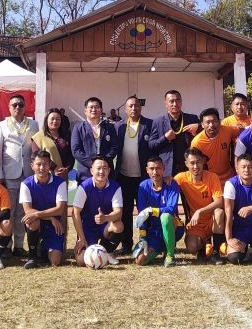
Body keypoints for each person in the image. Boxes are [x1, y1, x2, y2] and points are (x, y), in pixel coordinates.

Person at [0, 94, 39, 257]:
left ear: (25, 106)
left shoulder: (34, 123)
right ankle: (6, 244)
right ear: (9, 107)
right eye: (14, 105)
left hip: (27, 174)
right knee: (9, 211)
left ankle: (19, 245)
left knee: (22, 211)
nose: (17, 108)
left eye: (20, 105)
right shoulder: (2, 125)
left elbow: (36, 148)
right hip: (9, 174)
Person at [114, 95, 156, 253]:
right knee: (125, 212)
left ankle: (149, 243)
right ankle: (126, 245)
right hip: (123, 177)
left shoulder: (149, 125)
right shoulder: (118, 127)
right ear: (125, 109)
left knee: (145, 211)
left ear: (141, 107)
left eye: (136, 105)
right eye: (130, 106)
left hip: (142, 178)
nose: (133, 108)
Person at [174, 147, 226, 265]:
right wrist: (166, 179)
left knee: (219, 212)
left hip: (211, 220)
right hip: (195, 224)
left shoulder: (212, 177)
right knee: (192, 248)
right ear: (186, 164)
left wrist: (200, 211)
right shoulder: (180, 178)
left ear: (203, 161)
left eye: (198, 162)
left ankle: (216, 252)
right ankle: (202, 248)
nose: (196, 166)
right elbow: (168, 186)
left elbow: (219, 202)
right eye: (192, 163)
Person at [71, 155, 123, 267]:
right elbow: (75, 212)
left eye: (105, 168)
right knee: (81, 261)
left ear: (109, 171)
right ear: (91, 170)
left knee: (118, 226)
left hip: (104, 226)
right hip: (88, 228)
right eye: (98, 168)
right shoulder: (84, 187)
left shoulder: (115, 186)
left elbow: (118, 212)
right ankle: (94, 250)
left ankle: (106, 252)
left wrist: (105, 218)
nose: (101, 171)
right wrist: (81, 238)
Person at [132, 157, 184, 267]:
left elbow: (171, 208)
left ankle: (170, 255)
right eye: (152, 168)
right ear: (147, 170)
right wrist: (143, 237)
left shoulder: (171, 184)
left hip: (174, 226)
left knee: (165, 217)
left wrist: (152, 210)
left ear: (163, 169)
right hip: (154, 231)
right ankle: (163, 246)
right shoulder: (143, 186)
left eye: (158, 168)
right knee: (139, 260)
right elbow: (142, 214)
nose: (155, 172)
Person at [19, 151, 68, 268]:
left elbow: (60, 209)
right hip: (42, 223)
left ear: (50, 164)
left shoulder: (60, 183)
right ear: (32, 165)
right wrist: (50, 217)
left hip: (54, 227)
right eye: (38, 164)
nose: (42, 168)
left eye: (45, 164)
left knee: (55, 261)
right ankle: (32, 257)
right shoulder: (26, 184)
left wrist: (39, 214)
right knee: (32, 220)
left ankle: (43, 249)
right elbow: (28, 210)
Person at [150, 90, 200, 177]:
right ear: (166, 103)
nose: (175, 104)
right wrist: (165, 138)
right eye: (171, 101)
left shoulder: (192, 119)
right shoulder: (158, 122)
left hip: (189, 167)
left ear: (181, 102)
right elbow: (151, 145)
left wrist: (199, 126)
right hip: (168, 170)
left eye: (177, 100)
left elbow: (207, 132)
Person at [71, 97, 119, 182]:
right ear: (85, 111)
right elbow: (76, 150)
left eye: (97, 107)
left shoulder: (110, 127)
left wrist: (103, 163)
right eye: (91, 107)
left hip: (106, 173)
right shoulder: (78, 128)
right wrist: (92, 164)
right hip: (85, 174)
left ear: (101, 110)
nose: (94, 109)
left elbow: (114, 146)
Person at [190, 107, 239, 183]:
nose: (211, 125)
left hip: (230, 176)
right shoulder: (197, 142)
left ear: (219, 122)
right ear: (202, 125)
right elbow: (194, 164)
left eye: (214, 121)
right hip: (210, 180)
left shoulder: (227, 130)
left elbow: (242, 131)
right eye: (208, 122)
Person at [31, 108, 75, 180]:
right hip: (45, 174)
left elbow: (71, 154)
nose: (55, 121)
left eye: (58, 119)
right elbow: (38, 156)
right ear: (46, 120)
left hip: (63, 175)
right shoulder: (38, 137)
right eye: (52, 119)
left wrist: (67, 168)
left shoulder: (66, 136)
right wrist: (55, 168)